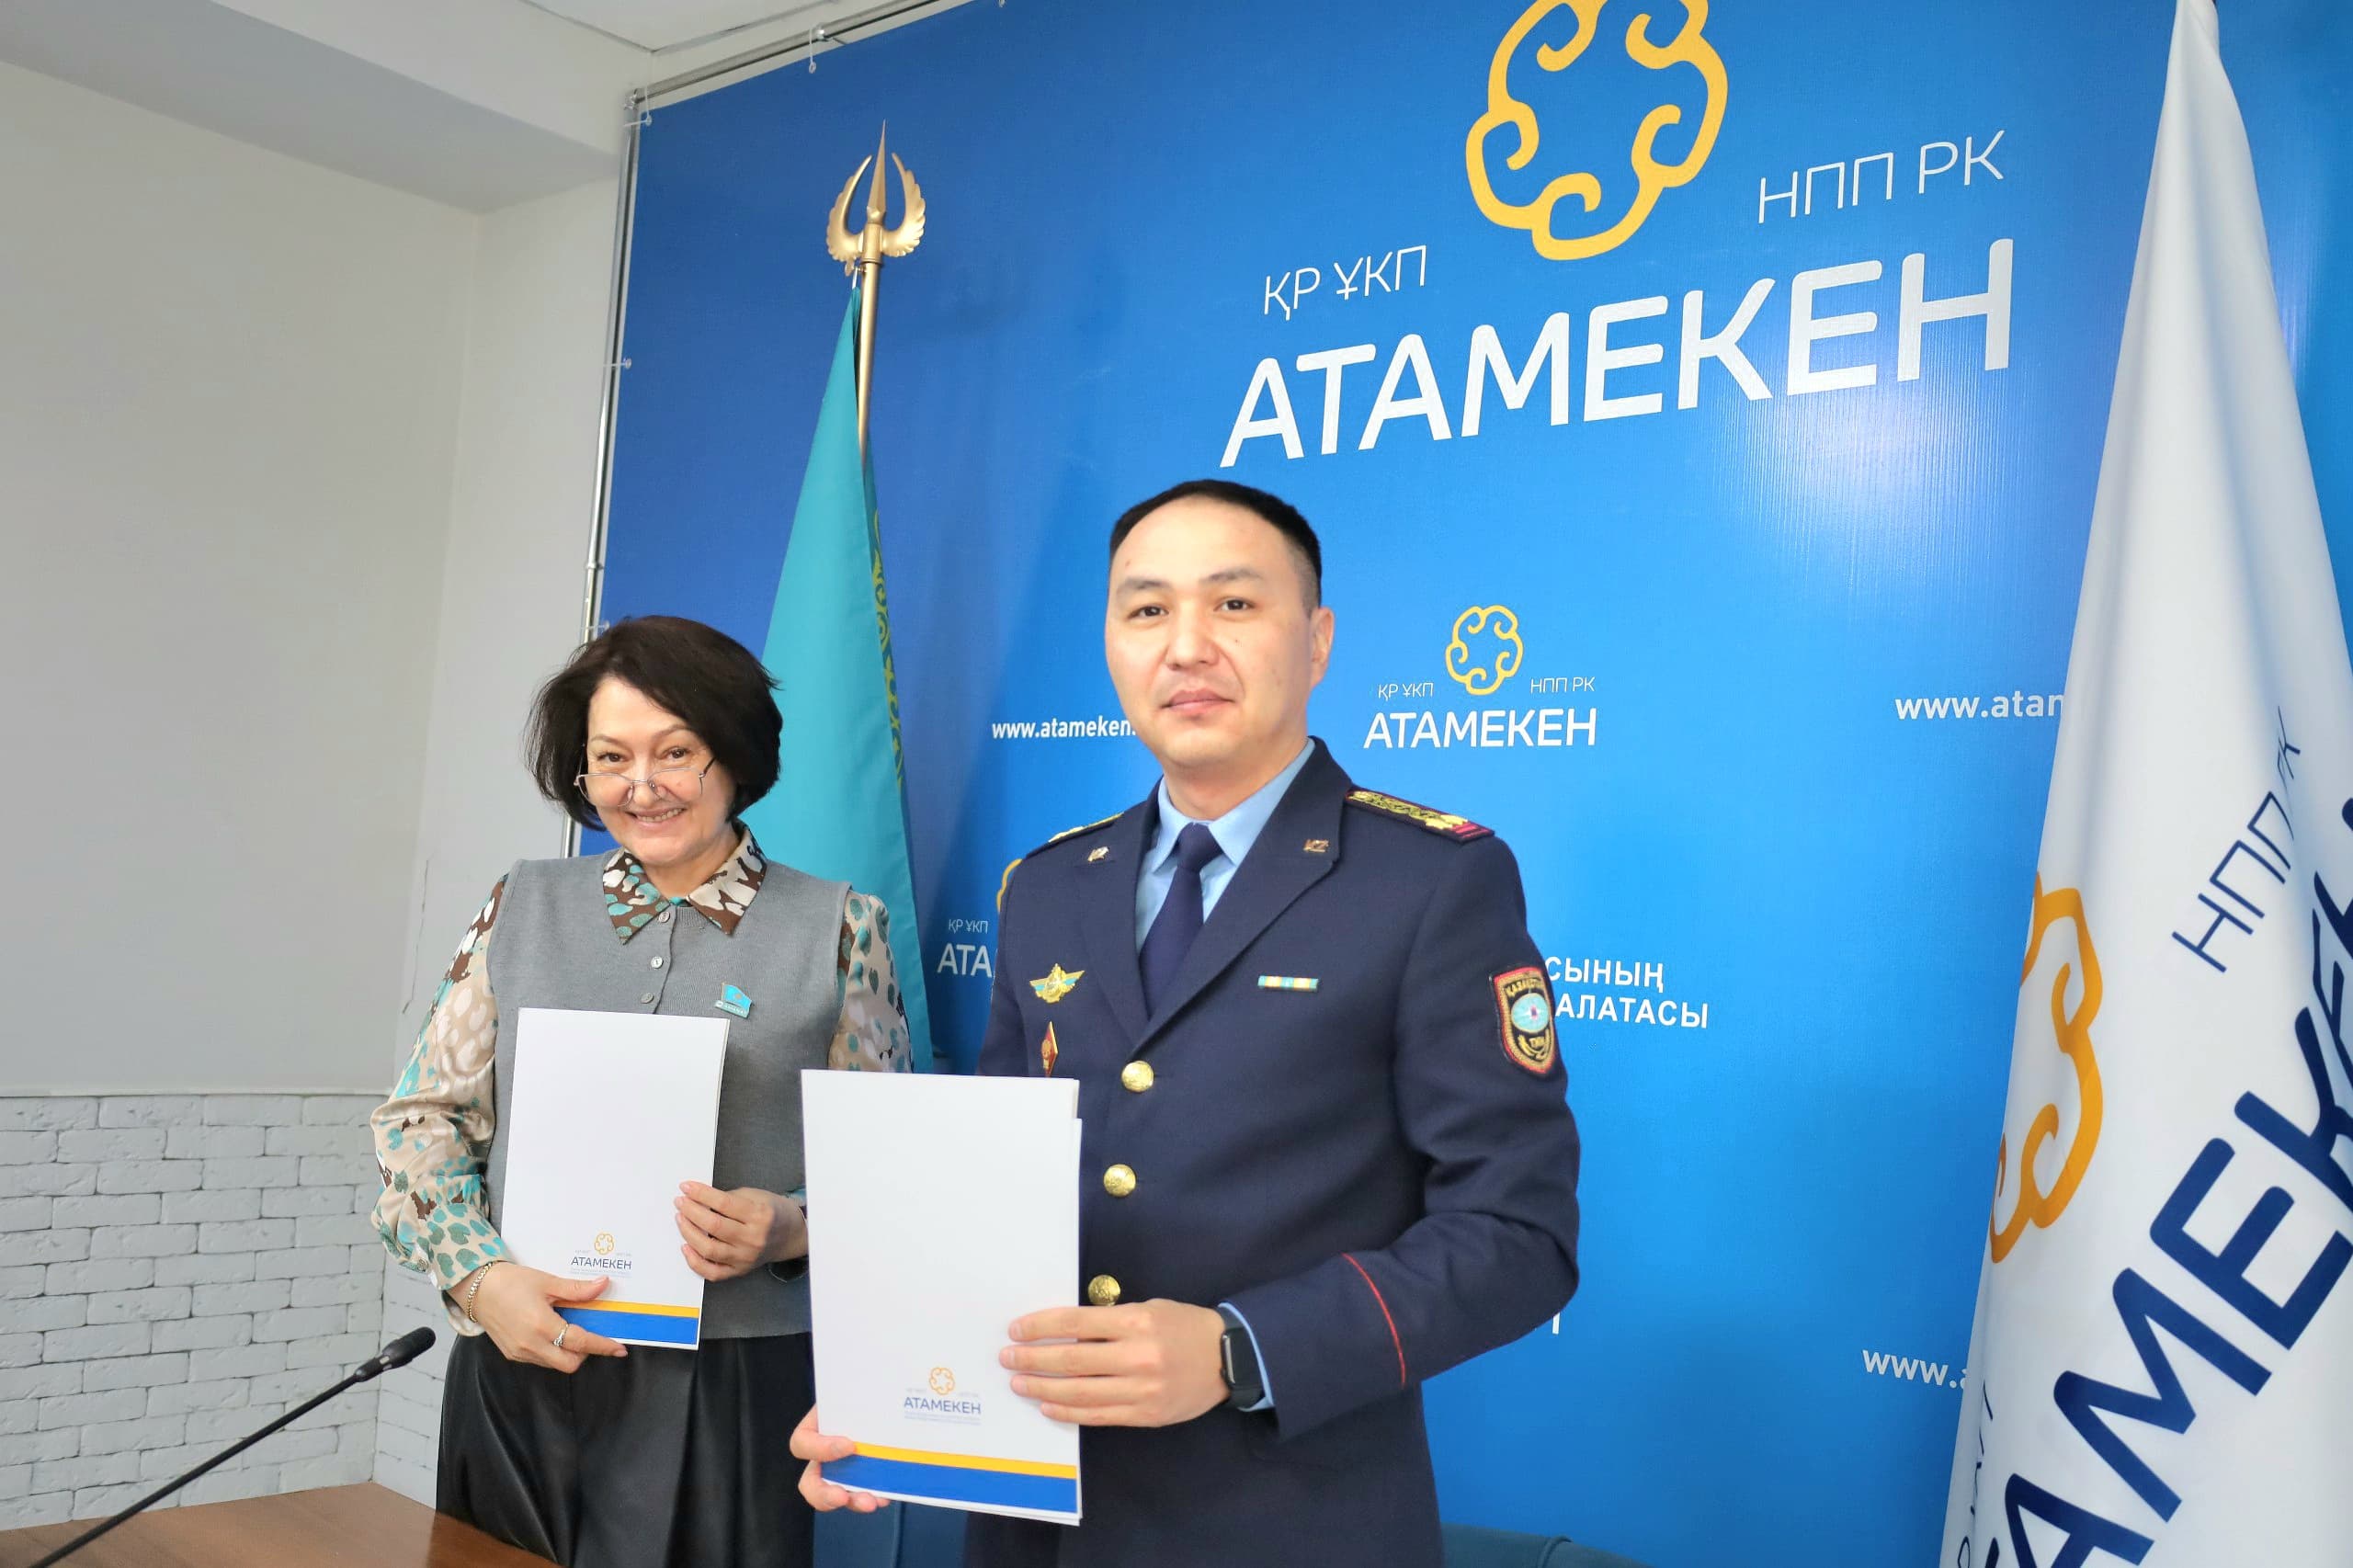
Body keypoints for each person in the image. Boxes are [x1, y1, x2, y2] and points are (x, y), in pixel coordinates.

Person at [793, 480, 1581, 1565]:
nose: (1186, 644)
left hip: (1287, 1516)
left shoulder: (1429, 880)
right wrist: (891, 1392)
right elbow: (988, 1197)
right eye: (1147, 608)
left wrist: (1234, 1348)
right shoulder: (1049, 885)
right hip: (1038, 1510)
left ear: (1317, 640)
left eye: (1234, 604)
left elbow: (1517, 1235)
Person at [371, 615, 911, 1568]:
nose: (642, 785)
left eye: (676, 752)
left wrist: (792, 1225)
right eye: (611, 758)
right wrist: (480, 1279)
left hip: (733, 1385)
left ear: (735, 756)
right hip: (521, 1365)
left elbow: (890, 1173)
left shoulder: (840, 927)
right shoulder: (521, 904)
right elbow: (423, 1118)